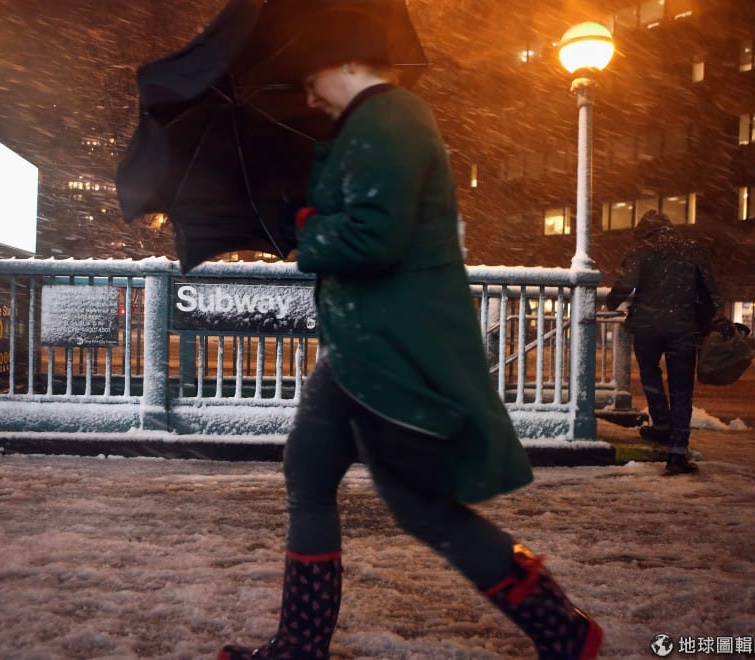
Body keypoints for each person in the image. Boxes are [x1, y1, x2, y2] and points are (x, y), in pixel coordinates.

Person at [218, 10, 602, 660]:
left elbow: (374, 238)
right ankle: (301, 644)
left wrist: (308, 228)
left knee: (423, 508)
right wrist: (298, 206)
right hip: (359, 345)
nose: (308, 95)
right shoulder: (365, 128)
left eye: (311, 78)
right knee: (308, 472)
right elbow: (355, 218)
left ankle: (563, 630)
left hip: (387, 349)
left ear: (348, 62)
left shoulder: (388, 118)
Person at [606, 210, 721, 476]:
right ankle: (677, 452)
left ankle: (661, 425)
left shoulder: (641, 252)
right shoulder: (693, 251)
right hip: (683, 328)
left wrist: (611, 303)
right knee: (682, 391)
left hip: (647, 327)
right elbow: (710, 293)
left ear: (645, 233)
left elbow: (624, 285)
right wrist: (702, 322)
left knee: (650, 376)